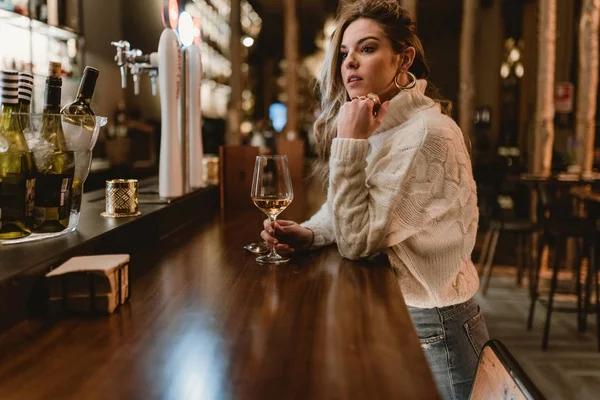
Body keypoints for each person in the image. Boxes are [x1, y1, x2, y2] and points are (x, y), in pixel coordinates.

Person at [259, 1, 489, 399]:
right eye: (345, 53)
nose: (349, 63)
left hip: (437, 330)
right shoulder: (384, 122)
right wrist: (311, 232)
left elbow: (357, 240)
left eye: (366, 49)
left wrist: (349, 142)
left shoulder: (426, 134)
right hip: (412, 318)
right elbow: (353, 209)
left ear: (405, 59)